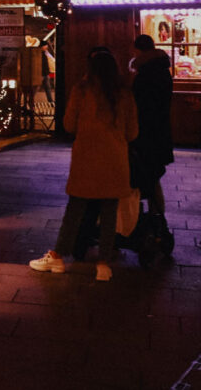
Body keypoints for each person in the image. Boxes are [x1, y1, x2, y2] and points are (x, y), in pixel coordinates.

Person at [30, 47, 138, 281]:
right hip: (115, 160)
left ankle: (58, 256)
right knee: (109, 213)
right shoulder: (125, 94)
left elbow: (69, 125)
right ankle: (103, 265)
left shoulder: (81, 90)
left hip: (86, 159)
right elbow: (132, 132)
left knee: (75, 211)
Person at [130, 34, 174, 219]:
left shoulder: (145, 75)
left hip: (146, 133)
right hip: (160, 130)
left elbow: (140, 106)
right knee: (153, 174)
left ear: (138, 50)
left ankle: (153, 218)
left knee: (145, 174)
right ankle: (157, 214)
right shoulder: (163, 70)